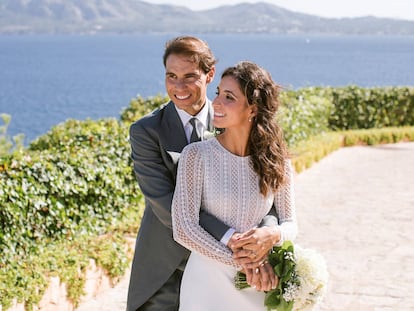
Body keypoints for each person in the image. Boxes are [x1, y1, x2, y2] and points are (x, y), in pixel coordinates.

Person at [127, 37, 280, 311]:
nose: (178, 86)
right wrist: (234, 244)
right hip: (167, 270)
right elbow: (168, 206)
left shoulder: (235, 119)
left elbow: (266, 190)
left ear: (209, 75)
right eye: (171, 76)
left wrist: (265, 235)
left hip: (230, 270)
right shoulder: (146, 132)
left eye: (189, 76)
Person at [171, 61, 298, 310]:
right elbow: (183, 228)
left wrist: (273, 235)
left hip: (256, 285)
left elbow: (291, 224)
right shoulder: (196, 155)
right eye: (217, 92)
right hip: (208, 283)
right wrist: (247, 263)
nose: (216, 102)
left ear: (252, 109)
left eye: (229, 97)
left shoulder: (277, 161)